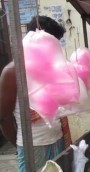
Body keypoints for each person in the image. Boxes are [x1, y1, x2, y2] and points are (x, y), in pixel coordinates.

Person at [0, 16, 67, 171]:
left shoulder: (52, 68)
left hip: (57, 139)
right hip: (33, 145)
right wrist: (21, 146)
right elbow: (4, 118)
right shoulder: (12, 72)